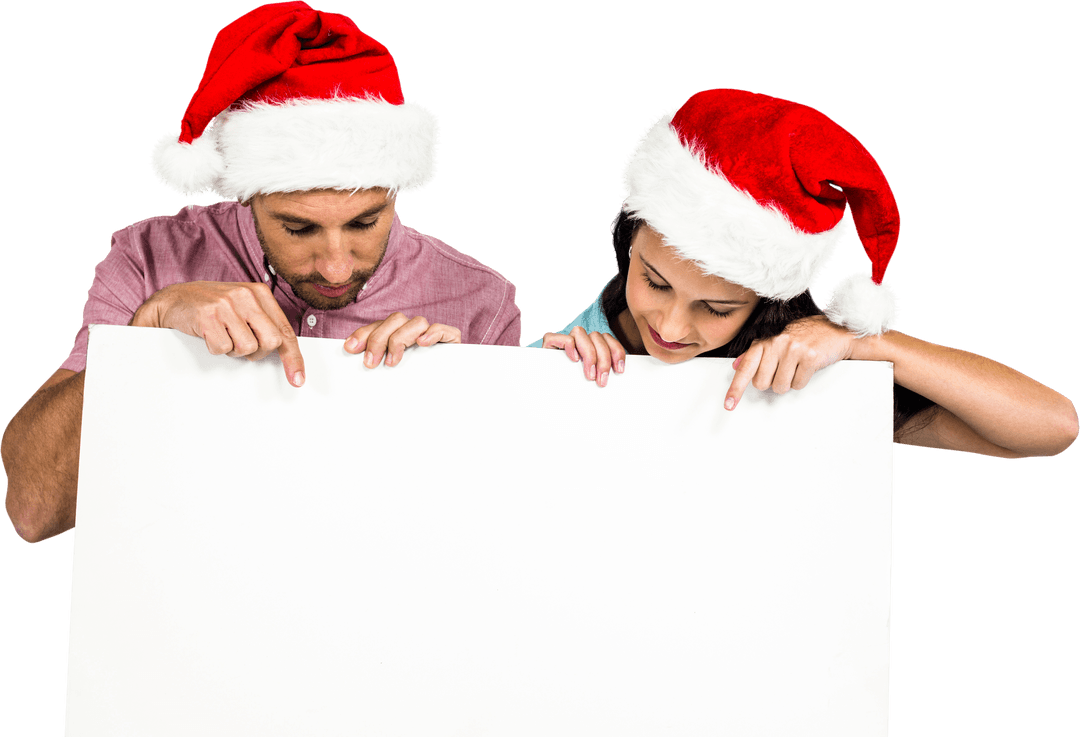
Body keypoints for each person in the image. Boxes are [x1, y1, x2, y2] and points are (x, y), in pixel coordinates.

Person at [1, 1, 521, 544]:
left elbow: (504, 531)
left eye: (366, 222)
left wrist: (453, 398)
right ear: (247, 198)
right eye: (298, 230)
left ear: (395, 192)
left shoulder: (478, 301)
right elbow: (35, 511)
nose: (337, 266)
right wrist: (147, 331)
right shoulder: (150, 257)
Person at [531, 88, 1077, 458]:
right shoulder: (564, 353)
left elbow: (1053, 428)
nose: (671, 327)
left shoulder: (803, 369)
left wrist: (861, 345)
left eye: (717, 308)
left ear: (763, 305)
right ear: (628, 246)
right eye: (655, 281)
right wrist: (528, 383)